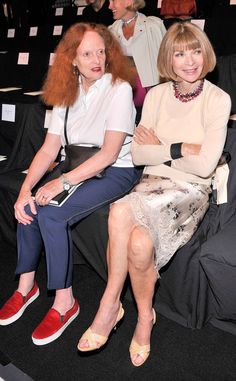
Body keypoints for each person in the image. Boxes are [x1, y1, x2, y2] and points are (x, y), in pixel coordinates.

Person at [77, 22, 231, 366]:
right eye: (179, 53)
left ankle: (108, 306)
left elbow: (205, 166)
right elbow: (138, 156)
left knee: (119, 210)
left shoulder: (218, 99)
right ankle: (143, 317)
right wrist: (181, 148)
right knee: (138, 243)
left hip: (189, 193)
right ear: (168, 59)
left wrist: (162, 146)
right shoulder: (158, 95)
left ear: (205, 55)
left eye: (195, 51)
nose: (189, 61)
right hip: (151, 183)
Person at [0, 22, 142, 345]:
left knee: (51, 212)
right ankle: (26, 286)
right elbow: (50, 147)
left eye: (101, 52)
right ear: (72, 60)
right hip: (76, 164)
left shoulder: (118, 88)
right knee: (32, 200)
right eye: (87, 53)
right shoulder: (66, 88)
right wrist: (26, 189)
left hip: (116, 169)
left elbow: (107, 154)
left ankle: (65, 303)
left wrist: (60, 183)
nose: (97, 59)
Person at [108, 0, 166, 122]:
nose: (109, 6)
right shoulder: (112, 30)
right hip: (122, 93)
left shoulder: (152, 26)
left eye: (113, 1)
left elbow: (167, 60)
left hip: (151, 96)